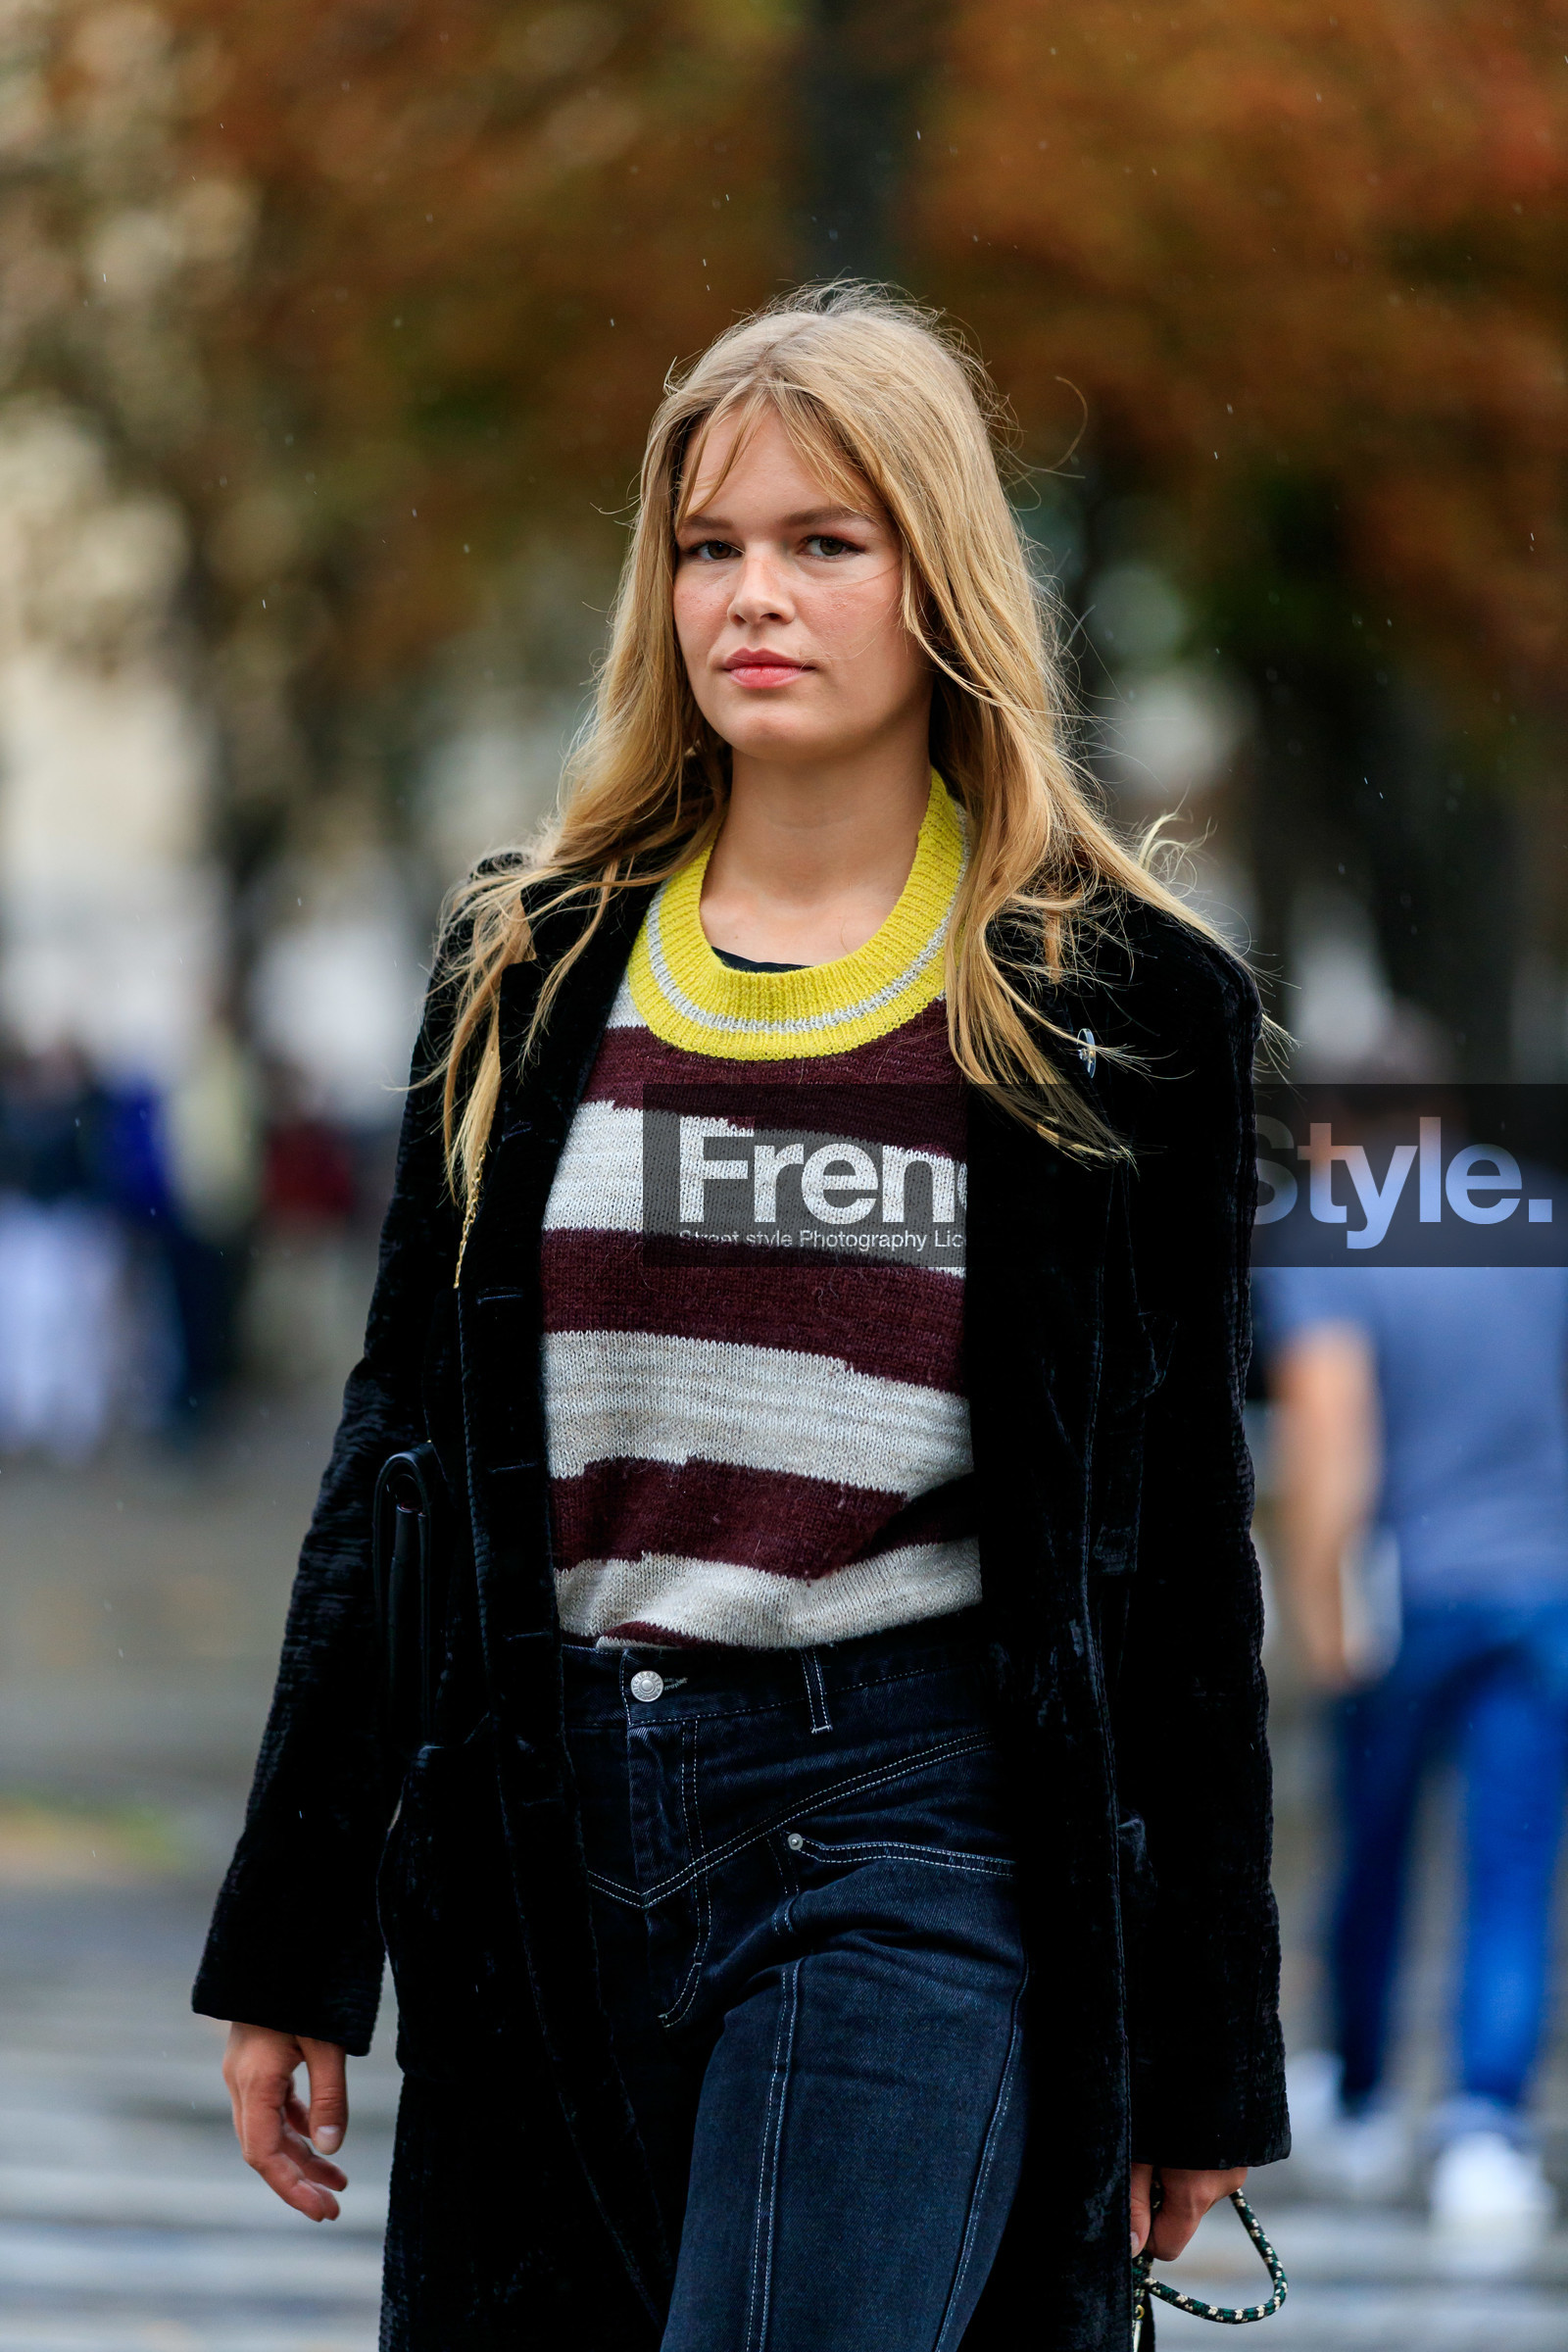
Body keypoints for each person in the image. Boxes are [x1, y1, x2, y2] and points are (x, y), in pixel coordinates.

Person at [194, 286, 1287, 2351]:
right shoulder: (525, 962)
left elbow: (1168, 1563)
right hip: (541, 1831)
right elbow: (393, 1465)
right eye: (707, 547)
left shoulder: (1117, 1003)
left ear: (935, 580)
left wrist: (1205, 2050)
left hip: (901, 1830)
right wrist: (293, 1931)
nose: (748, 599)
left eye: (820, 544)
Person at [1261, 1260, 1568, 2245]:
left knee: (1372, 1848)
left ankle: (1362, 2102)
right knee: (1511, 1873)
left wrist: (1317, 1606)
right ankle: (1486, 2127)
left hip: (1411, 1589)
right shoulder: (1539, 1230)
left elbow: (1329, 1419)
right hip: (1539, 1582)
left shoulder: (1334, 1250)